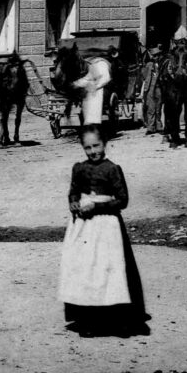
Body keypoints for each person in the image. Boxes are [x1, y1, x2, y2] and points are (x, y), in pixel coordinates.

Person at [58, 126, 149, 337]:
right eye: (87, 147)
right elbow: (73, 191)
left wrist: (97, 207)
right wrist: (73, 203)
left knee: (110, 270)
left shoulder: (112, 169)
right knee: (87, 270)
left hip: (107, 226)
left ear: (105, 143)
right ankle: (89, 319)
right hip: (84, 228)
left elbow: (122, 200)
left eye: (96, 146)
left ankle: (117, 320)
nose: (92, 151)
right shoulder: (79, 168)